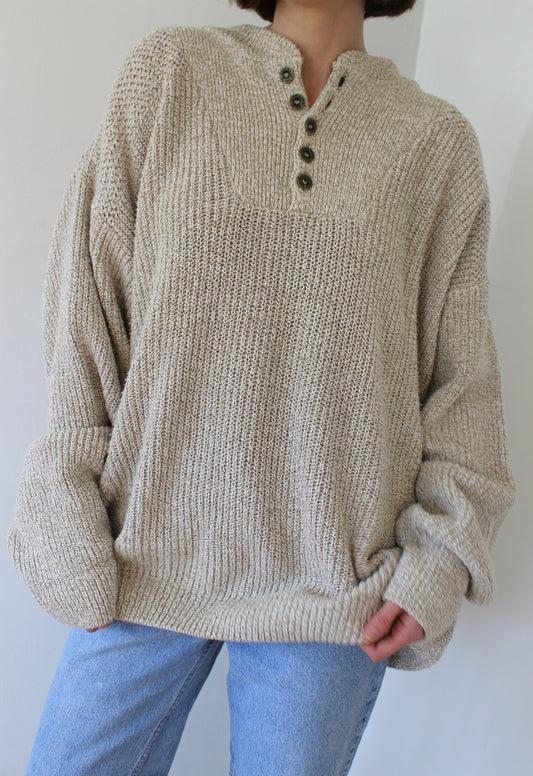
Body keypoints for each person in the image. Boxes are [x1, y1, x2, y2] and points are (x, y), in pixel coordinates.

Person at [6, 0, 517, 773]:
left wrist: (440, 559)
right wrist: (67, 498)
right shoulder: (170, 74)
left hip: (333, 591)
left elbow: (462, 383)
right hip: (142, 561)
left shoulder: (434, 143)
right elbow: (87, 301)